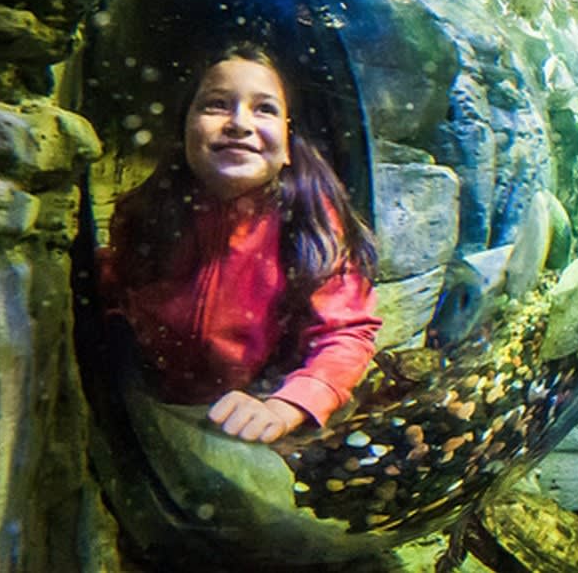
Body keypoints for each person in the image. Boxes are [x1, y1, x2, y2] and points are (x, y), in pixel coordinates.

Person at [98, 42, 381, 443]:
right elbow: (114, 288)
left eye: (264, 108)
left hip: (258, 424)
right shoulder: (146, 214)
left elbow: (346, 334)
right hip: (147, 415)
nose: (239, 123)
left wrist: (286, 407)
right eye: (216, 104)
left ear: (287, 144)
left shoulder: (311, 225)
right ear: (184, 130)